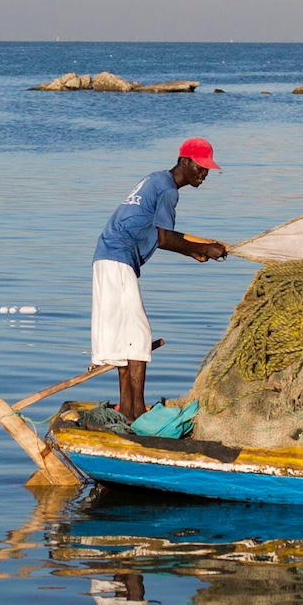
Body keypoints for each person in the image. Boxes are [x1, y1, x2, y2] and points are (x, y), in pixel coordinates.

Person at [94, 139, 227, 419]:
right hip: (118, 259)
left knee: (126, 336)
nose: (204, 174)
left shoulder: (155, 179)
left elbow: (156, 234)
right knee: (138, 336)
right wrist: (204, 249)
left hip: (106, 257)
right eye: (201, 168)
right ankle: (137, 412)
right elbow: (165, 238)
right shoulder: (168, 191)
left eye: (208, 170)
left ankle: (128, 410)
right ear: (184, 162)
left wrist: (194, 250)